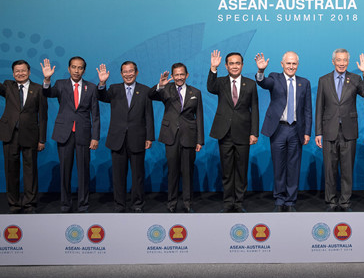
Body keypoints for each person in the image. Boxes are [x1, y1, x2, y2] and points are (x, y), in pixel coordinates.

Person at [0, 58, 47, 213]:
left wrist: (42, 139)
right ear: (13, 73)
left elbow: (43, 117)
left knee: (30, 171)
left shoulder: (38, 89)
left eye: (23, 70)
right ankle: (14, 203)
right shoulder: (8, 85)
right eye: (17, 71)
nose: (20, 73)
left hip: (30, 135)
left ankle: (29, 203)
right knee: (11, 170)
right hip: (10, 134)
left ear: (29, 72)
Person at [315, 48, 364, 211]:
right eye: (339, 60)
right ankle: (331, 201)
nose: (342, 63)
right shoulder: (323, 80)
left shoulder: (355, 78)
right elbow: (319, 107)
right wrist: (318, 132)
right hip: (329, 130)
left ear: (348, 61)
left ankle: (345, 201)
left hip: (349, 130)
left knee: (347, 169)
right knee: (330, 169)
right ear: (333, 61)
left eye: (345, 60)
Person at [255, 51, 312, 212]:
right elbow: (263, 82)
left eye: (294, 63)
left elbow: (307, 109)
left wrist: (307, 132)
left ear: (297, 65)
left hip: (296, 130)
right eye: (288, 63)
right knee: (279, 166)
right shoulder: (275, 77)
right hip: (278, 129)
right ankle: (279, 200)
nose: (291, 66)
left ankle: (291, 201)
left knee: (294, 167)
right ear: (282, 64)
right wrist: (261, 71)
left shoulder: (304, 83)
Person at [41, 57, 99, 213]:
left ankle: (83, 204)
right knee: (64, 171)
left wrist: (95, 137)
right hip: (64, 133)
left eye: (80, 68)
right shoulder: (60, 84)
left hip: (83, 134)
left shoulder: (91, 87)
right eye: (73, 67)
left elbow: (95, 115)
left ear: (84, 70)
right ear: (68, 69)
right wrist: (47, 79)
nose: (76, 70)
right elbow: (48, 92)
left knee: (83, 171)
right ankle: (65, 204)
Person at [97, 61, 154, 213]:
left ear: (136, 72)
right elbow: (101, 96)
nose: (128, 74)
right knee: (118, 176)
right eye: (125, 72)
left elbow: (149, 115)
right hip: (117, 139)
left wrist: (149, 137)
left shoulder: (145, 90)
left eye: (131, 71)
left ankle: (137, 204)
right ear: (121, 74)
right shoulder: (114, 89)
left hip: (138, 138)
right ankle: (119, 204)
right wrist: (102, 83)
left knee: (138, 175)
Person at [207, 50, 258, 213]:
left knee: (241, 170)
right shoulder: (220, 82)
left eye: (237, 63)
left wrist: (254, 132)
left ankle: (239, 202)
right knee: (227, 170)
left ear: (242, 65)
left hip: (243, 132)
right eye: (231, 63)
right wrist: (213, 69)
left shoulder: (250, 84)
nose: (234, 66)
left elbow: (255, 109)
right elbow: (210, 87)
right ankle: (228, 202)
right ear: (226, 66)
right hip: (225, 133)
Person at [150, 63, 204, 213]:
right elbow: (150, 95)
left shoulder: (196, 92)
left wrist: (199, 140)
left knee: (187, 172)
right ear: (172, 76)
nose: (179, 77)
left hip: (189, 136)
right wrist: (160, 85)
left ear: (187, 75)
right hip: (171, 135)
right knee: (172, 171)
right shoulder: (166, 89)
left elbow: (199, 116)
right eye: (176, 75)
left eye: (182, 74)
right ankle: (171, 202)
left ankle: (187, 203)